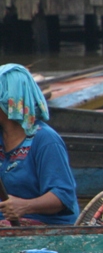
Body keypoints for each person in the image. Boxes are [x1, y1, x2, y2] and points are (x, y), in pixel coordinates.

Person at [0, 65, 79, 226]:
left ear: (8, 102)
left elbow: (62, 196)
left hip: (46, 228)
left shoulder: (45, 140)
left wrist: (24, 206)